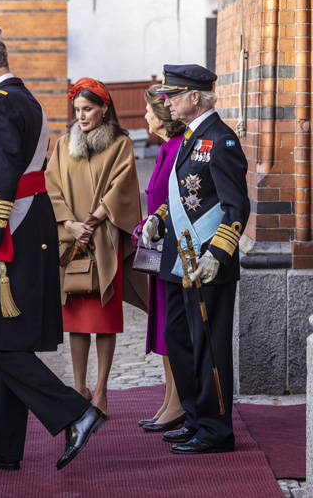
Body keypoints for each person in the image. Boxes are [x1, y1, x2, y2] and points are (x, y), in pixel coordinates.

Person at [0, 26, 105, 472]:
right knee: (6, 338)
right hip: (32, 222)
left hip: (9, 228)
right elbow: (9, 158)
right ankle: (3, 444)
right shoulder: (24, 99)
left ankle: (76, 413)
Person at [141, 64, 249, 454]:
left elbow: (235, 207)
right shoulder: (189, 138)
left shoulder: (221, 140)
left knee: (210, 348)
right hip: (176, 259)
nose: (167, 101)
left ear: (194, 98)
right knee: (180, 340)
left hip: (206, 263)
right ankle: (193, 416)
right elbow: (187, 198)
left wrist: (218, 254)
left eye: (173, 94)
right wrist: (158, 218)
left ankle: (216, 430)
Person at [45, 77, 147, 416]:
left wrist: (93, 220)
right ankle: (78, 386)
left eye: (88, 109)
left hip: (103, 239)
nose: (82, 115)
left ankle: (101, 390)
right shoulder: (62, 145)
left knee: (104, 317)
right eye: (77, 110)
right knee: (75, 318)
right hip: (73, 241)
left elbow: (124, 186)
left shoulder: (120, 144)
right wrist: (71, 225)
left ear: (104, 108)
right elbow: (52, 186)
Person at [131, 85, 186, 432]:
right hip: (158, 248)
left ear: (164, 116)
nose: (146, 116)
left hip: (172, 253)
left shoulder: (178, 148)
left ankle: (179, 402)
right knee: (163, 325)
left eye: (150, 111)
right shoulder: (166, 148)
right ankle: (171, 398)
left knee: (171, 328)